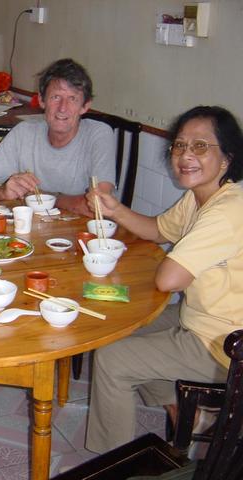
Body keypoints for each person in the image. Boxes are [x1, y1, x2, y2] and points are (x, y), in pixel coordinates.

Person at [85, 105, 243, 454]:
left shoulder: (228, 210)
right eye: (179, 145)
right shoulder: (200, 196)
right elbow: (157, 230)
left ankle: (115, 465)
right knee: (115, 327)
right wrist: (114, 209)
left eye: (201, 146)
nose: (186, 155)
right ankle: (186, 411)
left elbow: (168, 279)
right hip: (201, 321)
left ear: (227, 158)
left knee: (115, 359)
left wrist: (167, 263)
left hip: (226, 345)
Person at [0, 58, 116, 217]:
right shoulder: (24, 133)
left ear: (85, 106)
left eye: (72, 99)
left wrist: (43, 196)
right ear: (42, 100)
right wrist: (2, 192)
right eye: (56, 97)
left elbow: (99, 207)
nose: (62, 108)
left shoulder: (98, 134)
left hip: (83, 236)